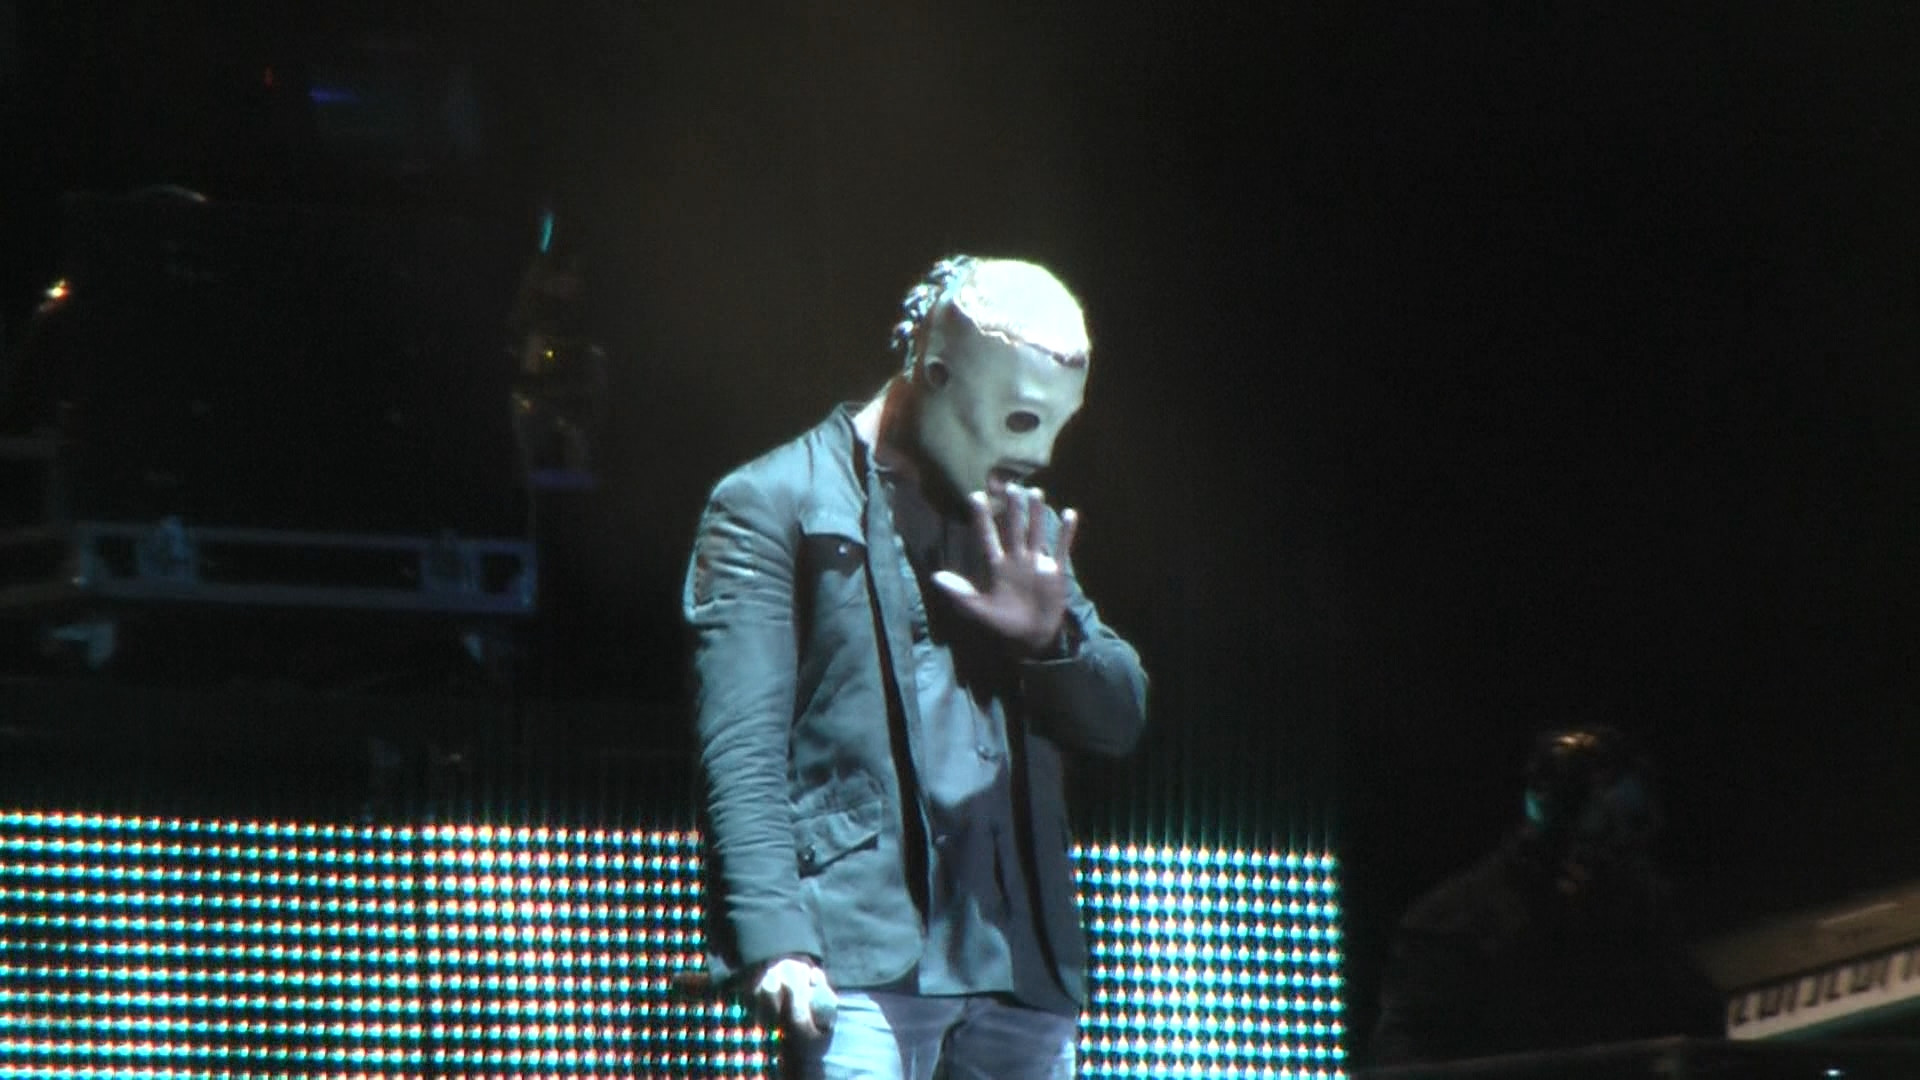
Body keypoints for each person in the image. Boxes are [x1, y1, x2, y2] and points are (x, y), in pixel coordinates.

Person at [682, 255, 1149, 1079]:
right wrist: (776, 942)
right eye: (1018, 418)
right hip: (861, 959)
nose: (1039, 454)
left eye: (1057, 424)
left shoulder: (1019, 526)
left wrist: (1050, 642)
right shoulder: (775, 501)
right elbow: (740, 750)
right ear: (935, 372)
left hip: (1017, 966)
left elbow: (1121, 718)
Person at [1368, 725, 1725, 1067]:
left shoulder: (1639, 910)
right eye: (1605, 829)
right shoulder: (1455, 922)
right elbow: (1407, 1058)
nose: (1619, 854)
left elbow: (1698, 1019)